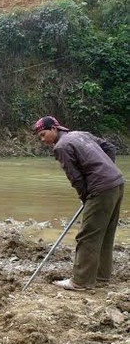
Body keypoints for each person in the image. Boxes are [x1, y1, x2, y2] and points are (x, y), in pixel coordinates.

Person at [33, 116, 124, 291]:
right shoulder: (81, 134)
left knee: (87, 235)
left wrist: (86, 196)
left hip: (101, 189)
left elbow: (76, 178)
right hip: (117, 183)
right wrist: (107, 170)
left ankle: (81, 281)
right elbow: (109, 148)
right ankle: (101, 276)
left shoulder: (61, 147)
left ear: (54, 129)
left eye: (44, 135)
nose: (43, 140)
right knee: (105, 233)